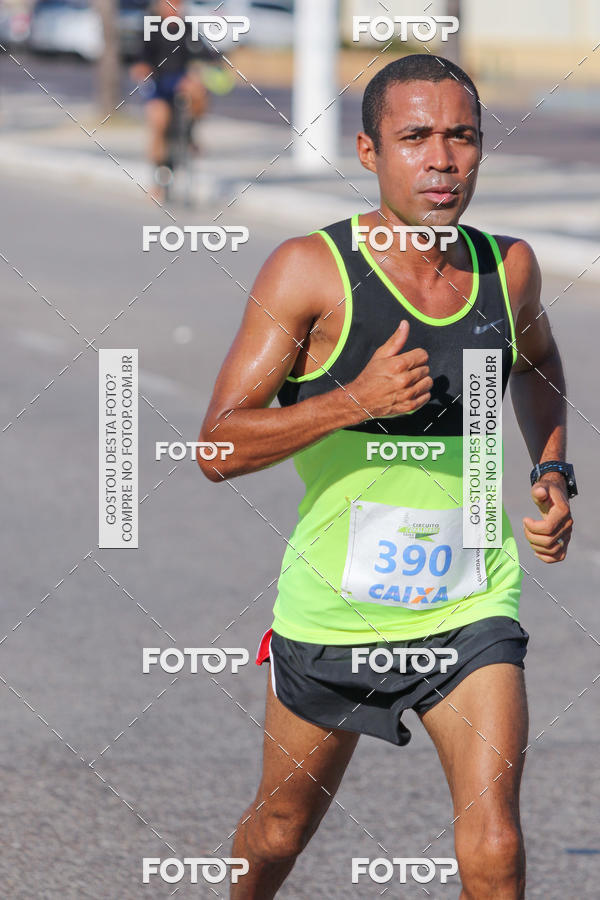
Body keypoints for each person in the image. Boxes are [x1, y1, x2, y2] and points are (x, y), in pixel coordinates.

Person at [197, 55, 576, 899]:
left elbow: (538, 362)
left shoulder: (506, 269)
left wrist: (553, 468)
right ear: (369, 151)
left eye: (461, 137)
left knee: (497, 843)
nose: (441, 160)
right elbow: (218, 447)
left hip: (470, 602)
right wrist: (349, 400)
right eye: (415, 138)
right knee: (279, 830)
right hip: (335, 608)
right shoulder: (310, 271)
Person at [129, 0, 220, 198]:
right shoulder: (150, 27)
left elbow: (207, 56)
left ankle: (190, 132)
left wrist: (203, 71)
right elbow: (139, 60)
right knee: (158, 119)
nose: (174, 8)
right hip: (158, 83)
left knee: (198, 91)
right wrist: (141, 70)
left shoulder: (187, 28)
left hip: (180, 82)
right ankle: (159, 175)